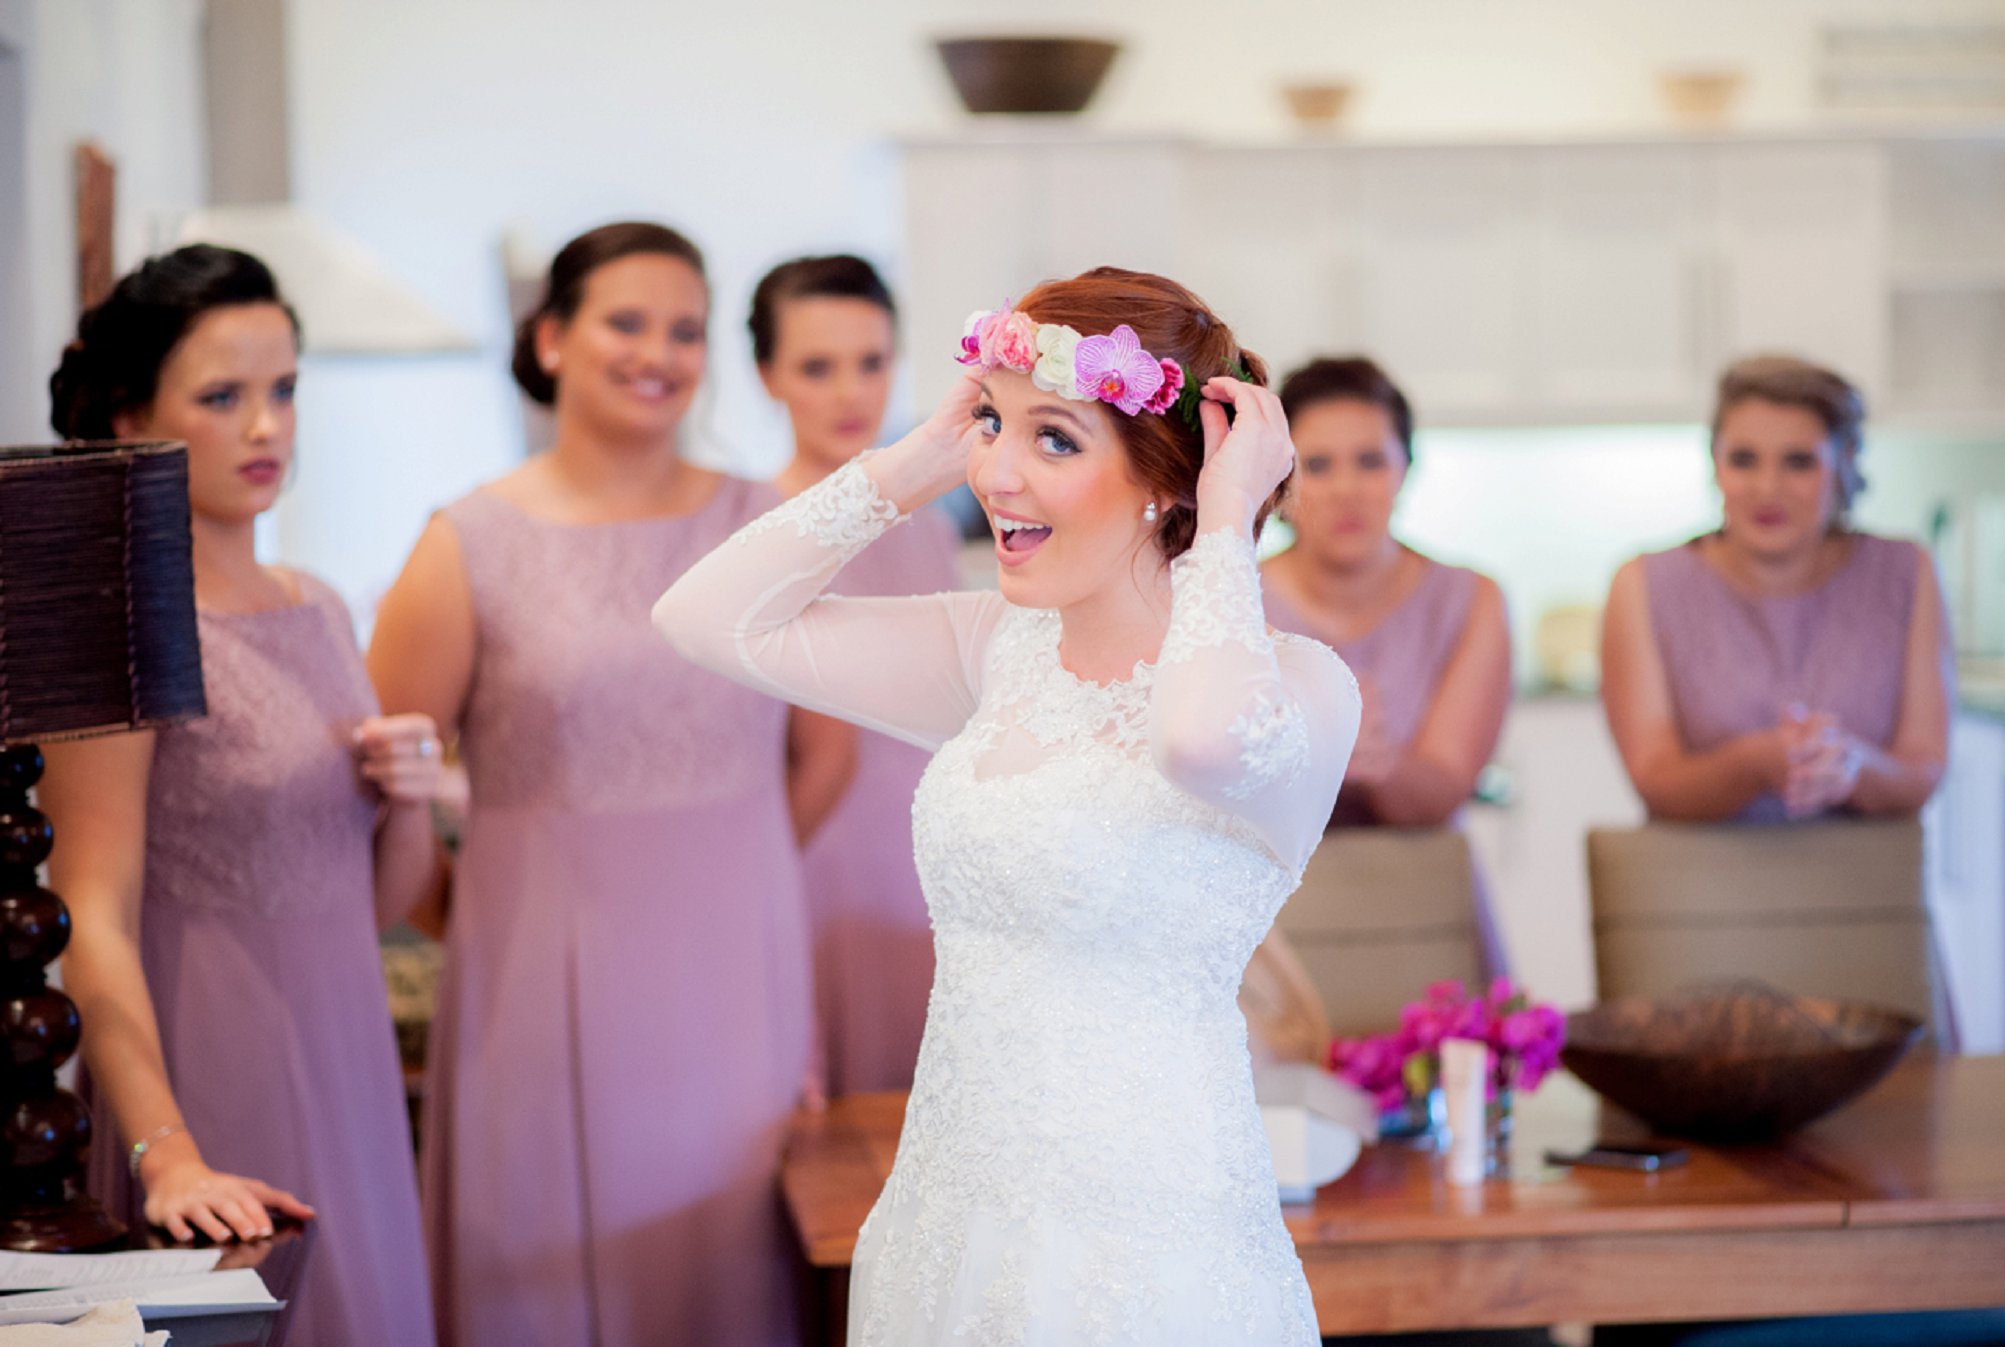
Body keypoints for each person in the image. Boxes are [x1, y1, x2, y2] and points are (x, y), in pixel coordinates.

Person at [656, 267, 1360, 1344]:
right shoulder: (996, 647)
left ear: (1169, 479)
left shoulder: (1298, 686)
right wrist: (917, 459)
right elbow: (706, 619)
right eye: (993, 425)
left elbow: (1197, 741)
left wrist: (1224, 523)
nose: (997, 473)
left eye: (1055, 440)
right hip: (953, 1218)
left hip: (1152, 1243)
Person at [367, 221, 850, 1347]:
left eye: (684, 330)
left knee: (729, 1260)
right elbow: (383, 785)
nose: (657, 353)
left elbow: (826, 754)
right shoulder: (466, 542)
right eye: (625, 322)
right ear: (550, 340)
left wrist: (735, 886)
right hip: (537, 980)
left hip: (735, 978)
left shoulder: (771, 528)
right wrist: (484, 914)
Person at [41, 244, 437, 1345]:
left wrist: (408, 795)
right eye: (223, 397)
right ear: (131, 416)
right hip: (209, 1062)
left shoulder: (320, 606)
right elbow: (89, 910)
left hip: (351, 1054)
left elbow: (373, 902)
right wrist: (164, 1152)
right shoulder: (118, 632)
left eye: (284, 389)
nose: (267, 427)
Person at [750, 253, 957, 1092]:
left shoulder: (930, 525)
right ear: (767, 375)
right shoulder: (757, 531)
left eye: (871, 362)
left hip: (935, 859)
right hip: (814, 860)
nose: (850, 392)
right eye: (816, 367)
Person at [1601, 355, 1953, 823]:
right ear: (1715, 463)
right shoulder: (1643, 583)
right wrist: (1754, 765)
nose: (1768, 488)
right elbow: (1656, 780)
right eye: (1744, 460)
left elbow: (1923, 769)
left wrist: (1851, 766)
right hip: (1704, 869)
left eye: (1798, 462)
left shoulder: (1906, 572)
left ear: (1844, 462)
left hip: (1867, 868)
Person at [1257, 356, 1513, 984]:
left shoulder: (1470, 599)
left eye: (1370, 461)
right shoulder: (1230, 598)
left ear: (1407, 467)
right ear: (1279, 478)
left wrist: (1380, 763)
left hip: (1425, 913)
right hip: (1271, 927)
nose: (1346, 488)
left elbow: (1443, 790)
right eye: (1318, 465)